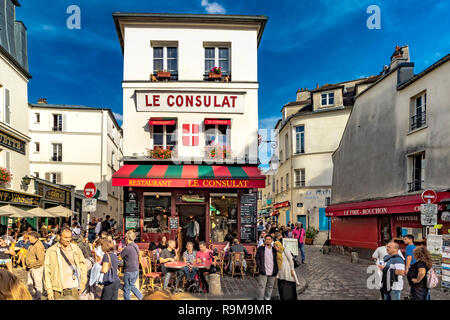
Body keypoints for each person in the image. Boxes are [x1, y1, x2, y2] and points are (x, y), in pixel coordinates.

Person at [43, 227, 87, 300]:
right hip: (58, 288)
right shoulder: (51, 251)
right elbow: (47, 272)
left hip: (74, 287)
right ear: (59, 236)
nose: (68, 240)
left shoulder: (76, 249)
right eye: (66, 237)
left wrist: (83, 282)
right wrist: (49, 290)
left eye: (70, 237)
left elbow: (83, 265)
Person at [119, 230, 143, 300]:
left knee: (126, 289)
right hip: (136, 270)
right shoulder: (136, 245)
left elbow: (120, 257)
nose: (124, 240)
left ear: (127, 238)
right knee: (131, 286)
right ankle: (142, 298)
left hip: (129, 270)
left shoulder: (127, 248)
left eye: (125, 238)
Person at [255, 235, 279, 300]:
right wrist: (259, 266)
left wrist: (277, 249)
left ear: (271, 240)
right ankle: (260, 298)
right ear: (264, 240)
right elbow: (257, 257)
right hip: (263, 269)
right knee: (262, 285)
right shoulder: (261, 249)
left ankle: (267, 297)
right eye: (266, 239)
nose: (268, 241)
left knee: (270, 286)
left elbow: (280, 257)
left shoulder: (274, 250)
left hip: (273, 270)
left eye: (269, 239)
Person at [25, 232, 45, 300]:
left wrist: (33, 266)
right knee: (30, 283)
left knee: (37, 283)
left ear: (34, 237)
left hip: (36, 268)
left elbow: (41, 260)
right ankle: (32, 295)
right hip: (31, 267)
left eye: (29, 237)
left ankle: (38, 297)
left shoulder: (38, 245)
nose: (28, 239)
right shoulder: (32, 245)